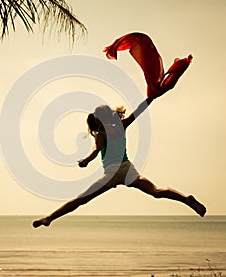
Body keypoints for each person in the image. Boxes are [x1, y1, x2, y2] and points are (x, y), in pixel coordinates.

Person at [32, 98, 206, 228]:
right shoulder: (122, 125)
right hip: (128, 169)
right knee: (156, 191)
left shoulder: (101, 133)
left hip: (112, 173)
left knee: (81, 199)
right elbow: (139, 111)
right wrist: (151, 97)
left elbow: (96, 151)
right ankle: (186, 199)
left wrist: (85, 161)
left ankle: (49, 218)